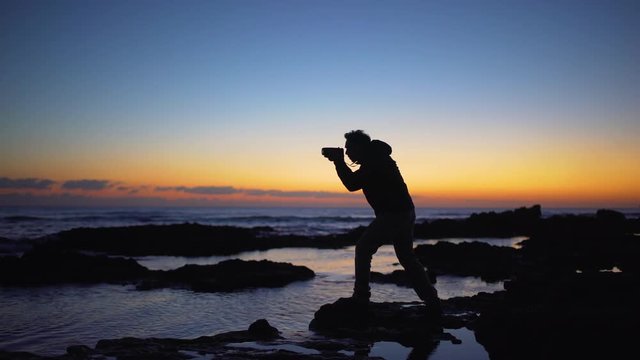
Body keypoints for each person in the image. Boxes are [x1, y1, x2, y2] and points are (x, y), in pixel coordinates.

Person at [323, 130, 442, 318]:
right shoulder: (376, 158)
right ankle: (432, 301)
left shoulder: (375, 161)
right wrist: (339, 161)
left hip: (393, 214)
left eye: (349, 149)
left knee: (363, 249)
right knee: (407, 258)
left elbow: (352, 184)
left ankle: (361, 296)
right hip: (404, 212)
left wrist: (338, 161)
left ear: (360, 147)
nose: (347, 153)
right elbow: (354, 181)